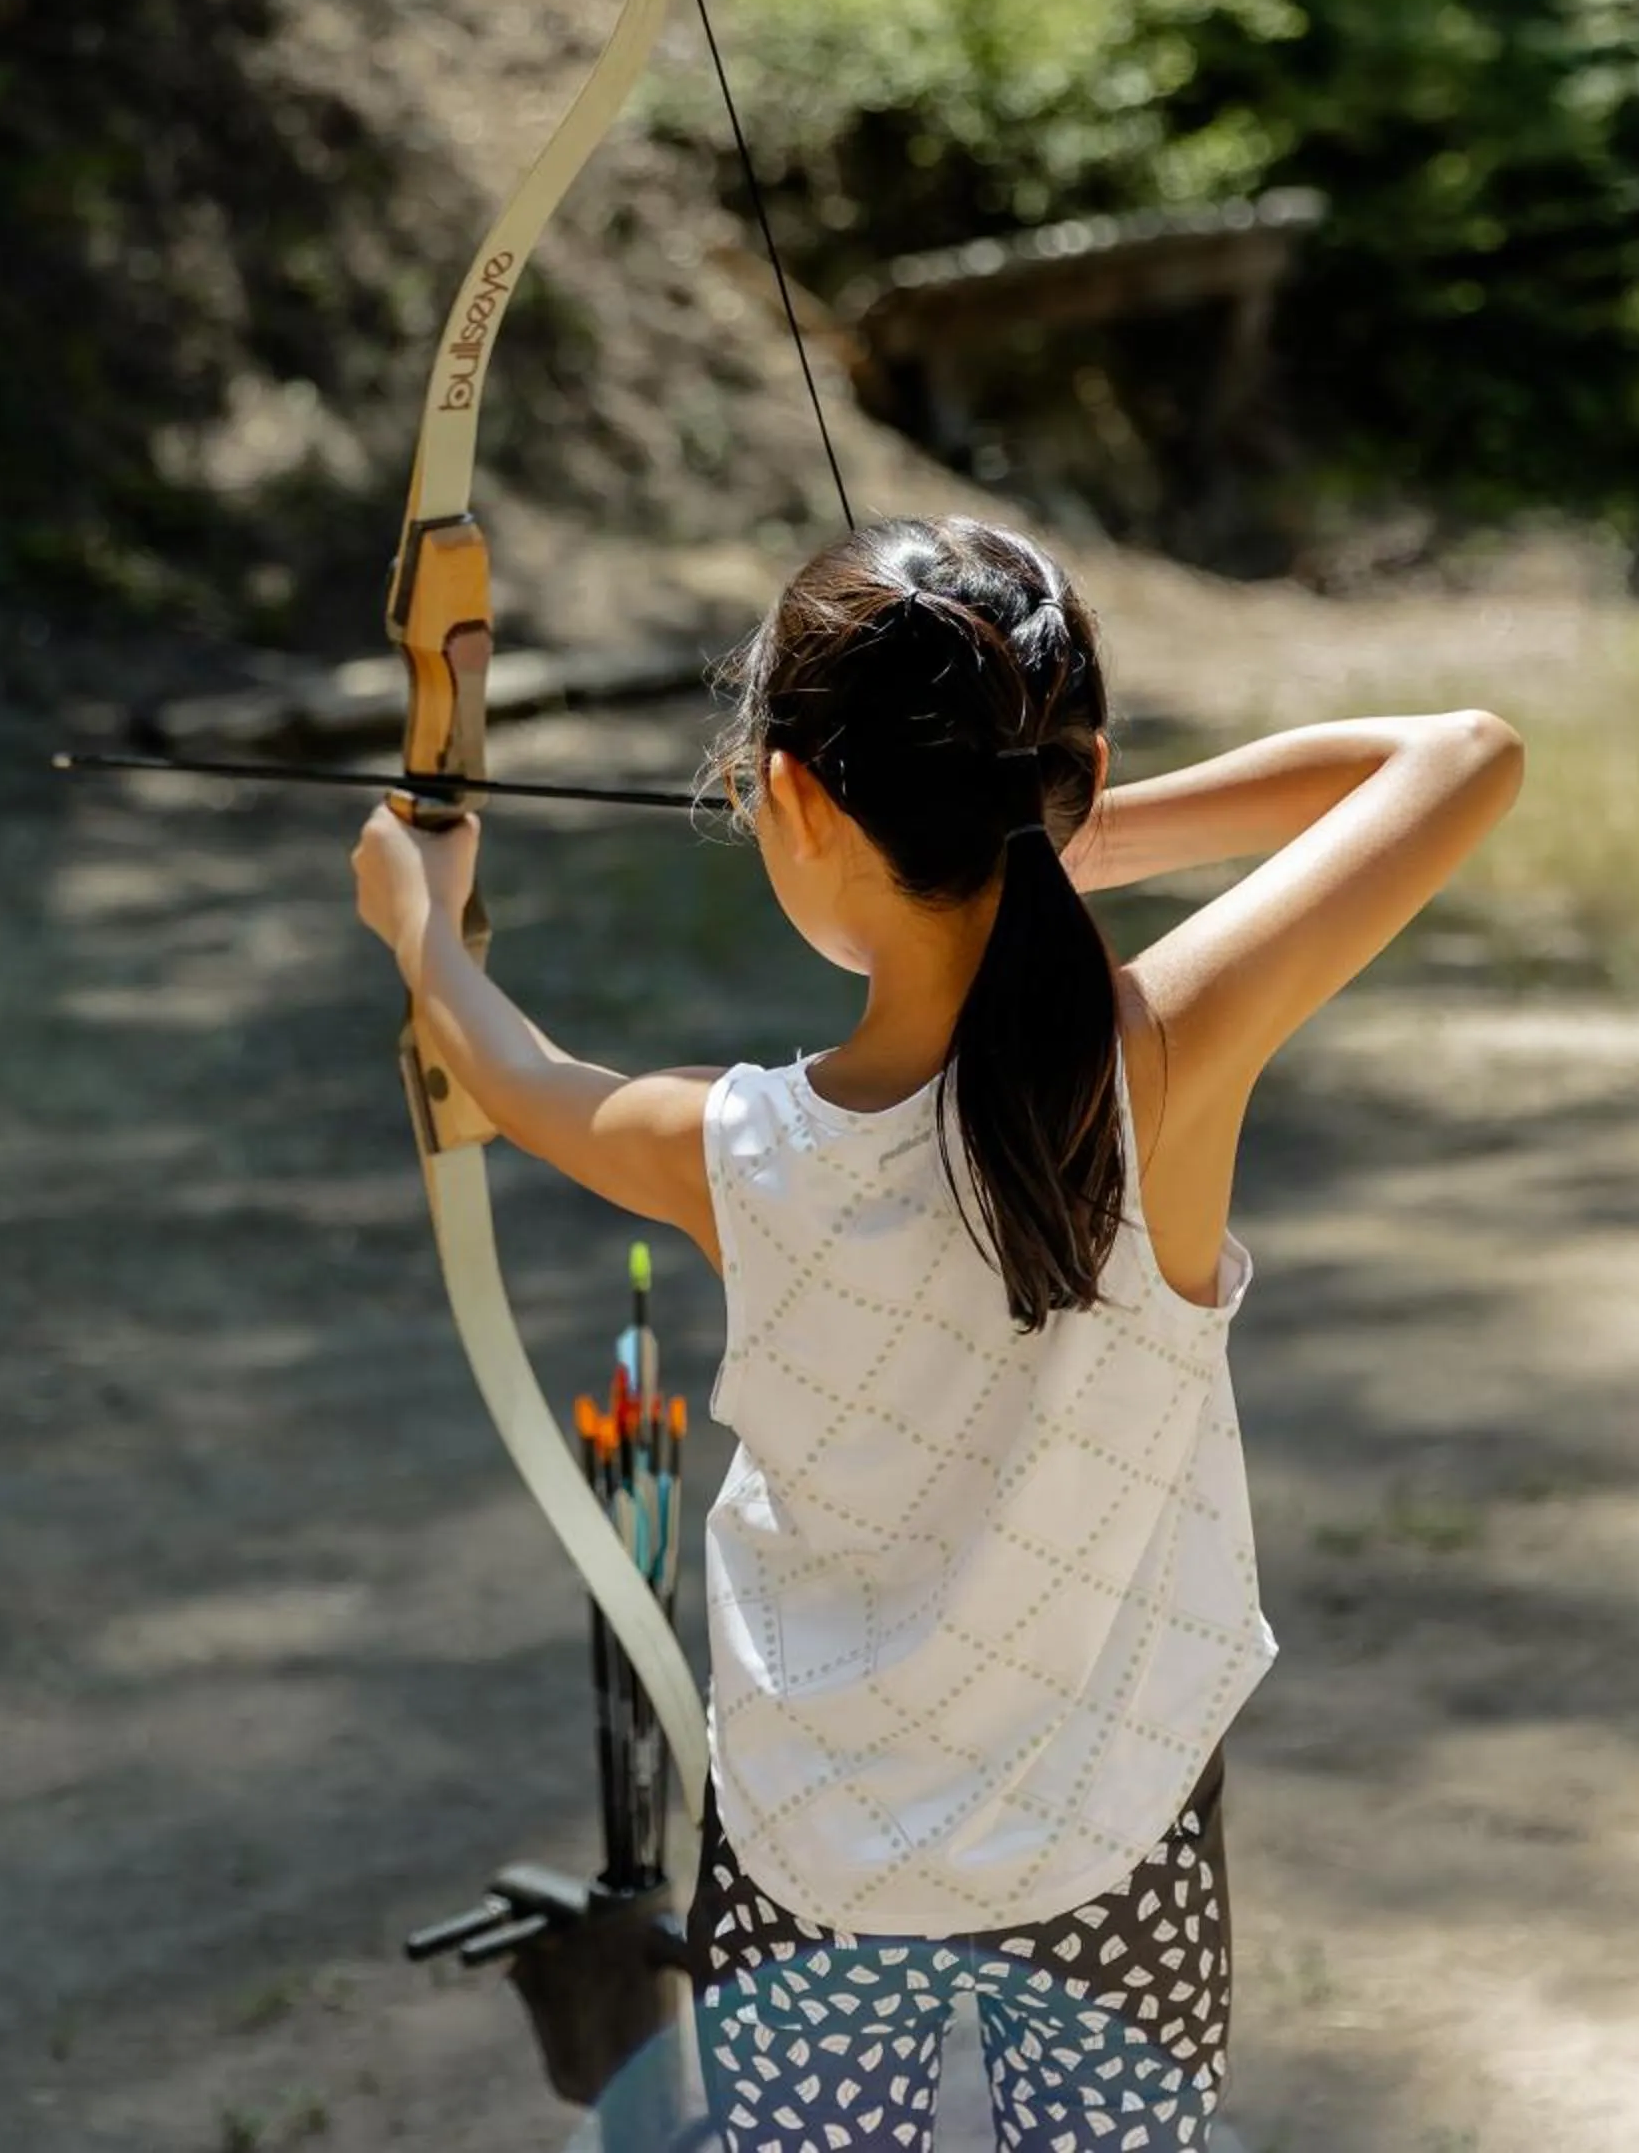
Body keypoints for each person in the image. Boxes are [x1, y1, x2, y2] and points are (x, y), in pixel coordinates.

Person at [352, 514, 1524, 2152]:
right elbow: (1460, 755)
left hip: (816, 1847)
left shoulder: (736, 1151)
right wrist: (1062, 836)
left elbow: (517, 1075)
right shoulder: (1169, 1058)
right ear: (1078, 773)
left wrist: (418, 917)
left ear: (796, 801)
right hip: (1113, 1831)